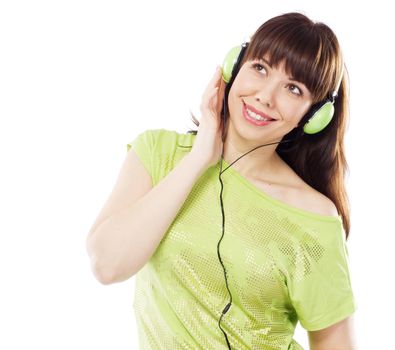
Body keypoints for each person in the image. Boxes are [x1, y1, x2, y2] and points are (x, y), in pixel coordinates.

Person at [86, 11, 358, 350]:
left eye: (293, 88)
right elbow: (107, 264)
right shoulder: (158, 154)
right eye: (260, 67)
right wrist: (200, 157)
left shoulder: (313, 217)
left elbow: (336, 344)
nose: (265, 96)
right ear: (234, 66)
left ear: (315, 115)